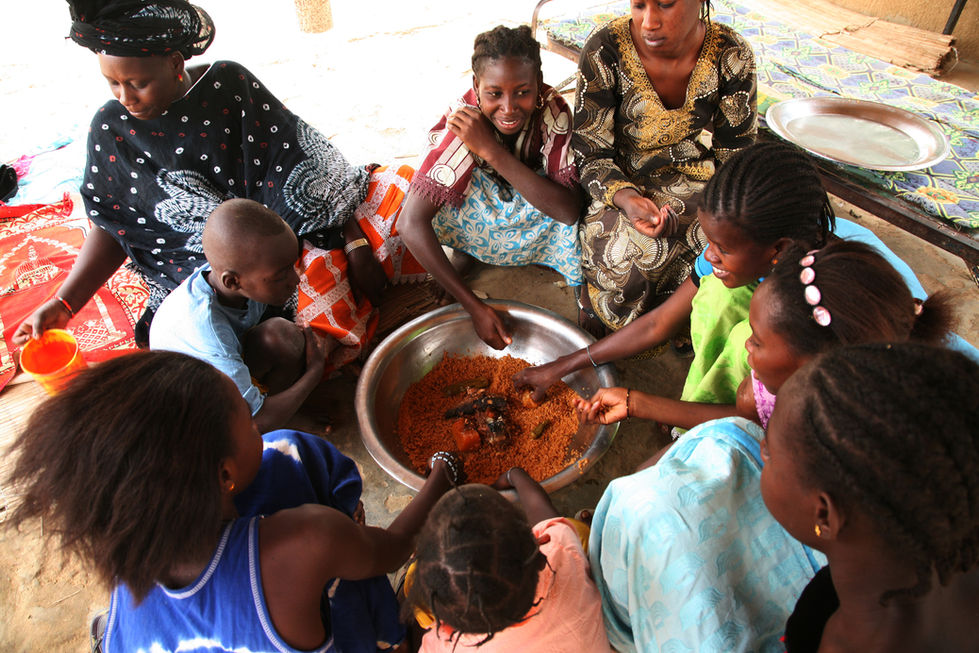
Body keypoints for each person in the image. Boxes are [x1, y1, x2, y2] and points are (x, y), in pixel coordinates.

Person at [13, 0, 424, 354]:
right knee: (270, 325)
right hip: (211, 277)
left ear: (175, 63)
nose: (126, 97)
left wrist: (350, 240)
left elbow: (304, 167)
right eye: (113, 84)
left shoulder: (228, 86)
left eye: (138, 83)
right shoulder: (111, 128)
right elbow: (117, 225)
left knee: (403, 190)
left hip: (287, 242)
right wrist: (65, 304)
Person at [5, 350, 462, 653]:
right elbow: (395, 546)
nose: (259, 425)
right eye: (249, 418)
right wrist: (445, 469)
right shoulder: (305, 540)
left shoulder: (128, 553)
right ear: (224, 474)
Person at [516, 142, 831, 410]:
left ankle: (703, 419)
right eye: (710, 241)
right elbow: (657, 323)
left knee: (740, 341)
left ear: (778, 248)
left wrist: (639, 404)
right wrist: (564, 364)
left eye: (722, 248)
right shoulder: (745, 255)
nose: (708, 255)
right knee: (717, 293)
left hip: (802, 402)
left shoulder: (819, 302)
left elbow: (762, 420)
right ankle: (701, 404)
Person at [575, 240, 954, 432]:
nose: (744, 344)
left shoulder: (839, 436)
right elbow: (741, 415)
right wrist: (634, 402)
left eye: (756, 339)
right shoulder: (787, 383)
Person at [765, 343, 979, 652]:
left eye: (769, 452)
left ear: (824, 516)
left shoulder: (843, 639)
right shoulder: (957, 539)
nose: (762, 450)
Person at [574, 0, 756, 331]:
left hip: (696, 177)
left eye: (665, 4)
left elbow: (736, 154)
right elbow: (590, 152)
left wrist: (718, 212)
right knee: (629, 263)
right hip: (619, 179)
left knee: (731, 247)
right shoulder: (604, 50)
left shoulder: (732, 55)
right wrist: (628, 199)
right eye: (639, 5)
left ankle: (687, 325)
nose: (649, 22)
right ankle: (600, 315)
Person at [400, 25, 582, 350]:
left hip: (532, 202)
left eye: (523, 92)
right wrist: (473, 305)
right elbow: (410, 223)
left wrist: (491, 151)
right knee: (434, 188)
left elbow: (568, 211)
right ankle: (466, 252)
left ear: (539, 85)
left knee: (588, 210)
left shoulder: (553, 110)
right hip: (486, 206)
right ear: (476, 86)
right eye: (494, 93)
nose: (509, 107)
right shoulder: (463, 119)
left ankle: (579, 287)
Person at [150, 198, 333, 432]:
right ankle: (279, 421)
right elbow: (254, 423)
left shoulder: (235, 283)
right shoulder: (208, 332)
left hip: (218, 367)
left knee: (281, 337)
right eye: (280, 276)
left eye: (292, 265)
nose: (295, 280)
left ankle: (280, 410)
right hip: (188, 407)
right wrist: (313, 372)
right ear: (233, 281)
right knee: (257, 421)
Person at [401, 468, 612, 652]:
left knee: (411, 578)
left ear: (447, 625)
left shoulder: (444, 645)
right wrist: (515, 475)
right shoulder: (560, 553)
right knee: (578, 532)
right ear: (539, 555)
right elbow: (547, 518)